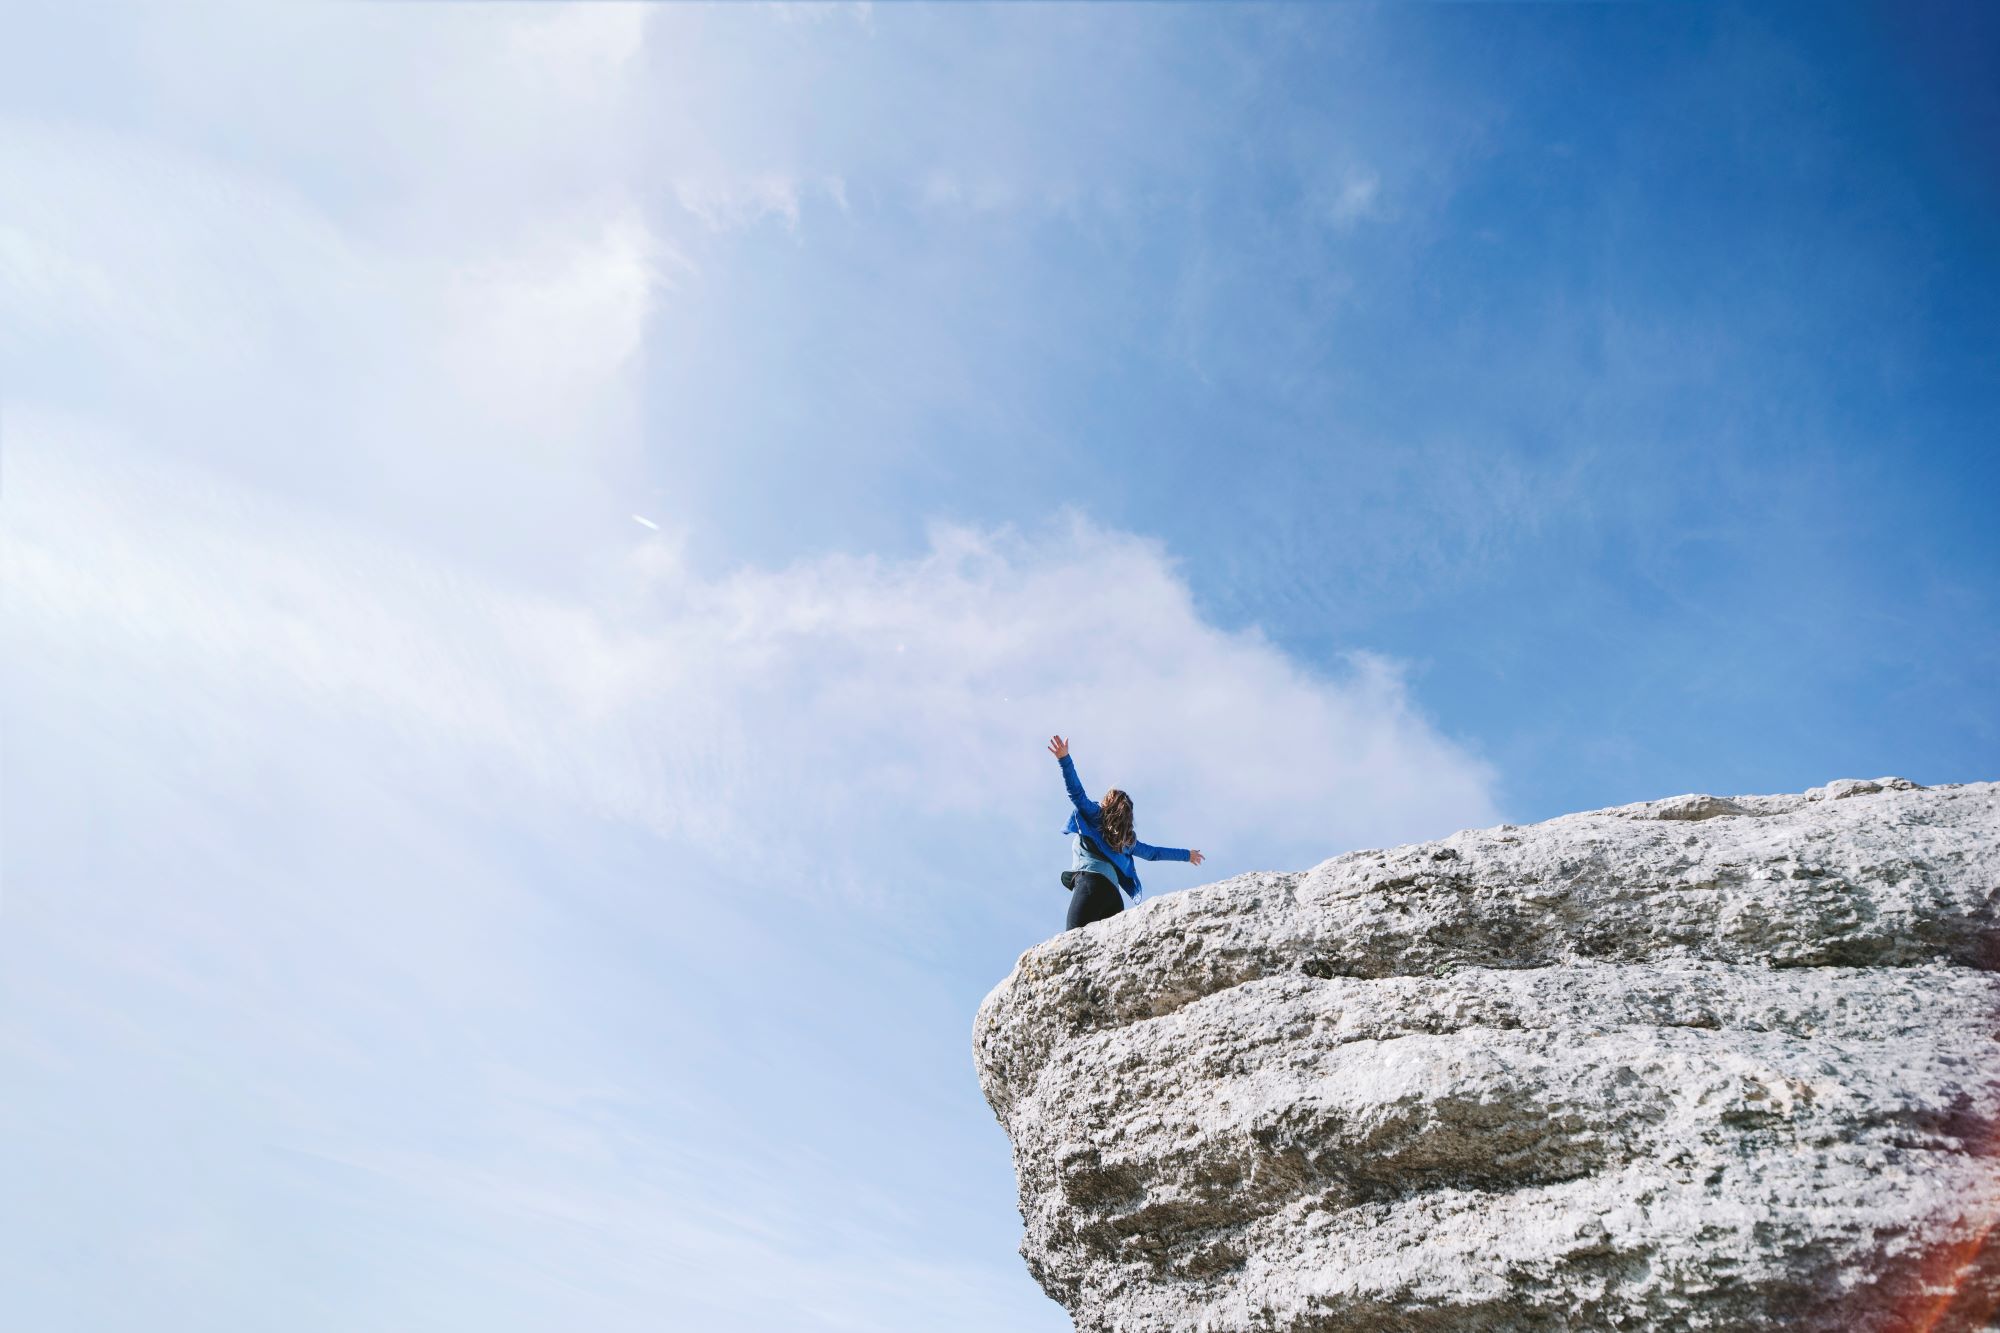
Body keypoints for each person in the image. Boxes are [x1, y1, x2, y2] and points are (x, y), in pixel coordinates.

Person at [1047, 734, 1204, 930]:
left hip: (1091, 884)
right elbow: (1154, 853)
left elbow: (1076, 793)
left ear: (1106, 804)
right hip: (1114, 899)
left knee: (1071, 939)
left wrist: (1064, 759)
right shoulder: (1126, 842)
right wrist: (1187, 855)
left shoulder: (1095, 816)